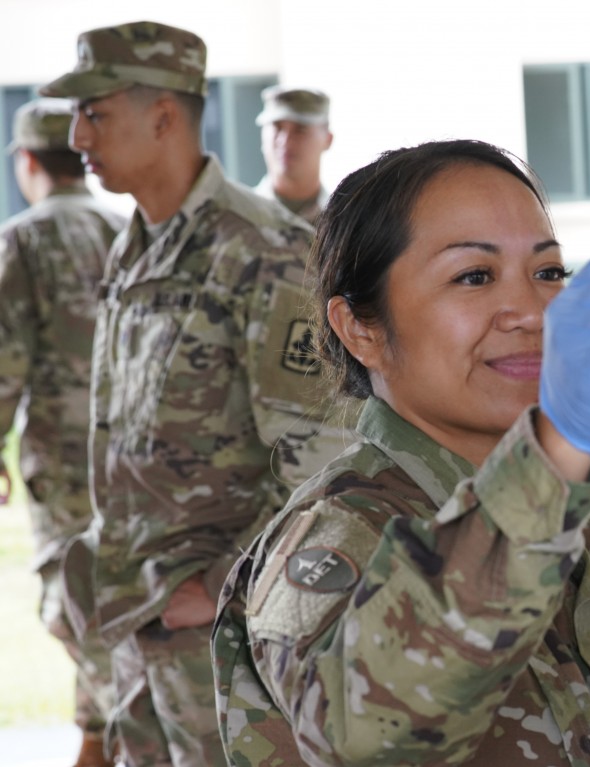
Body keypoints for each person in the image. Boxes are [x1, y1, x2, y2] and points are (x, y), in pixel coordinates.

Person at [212, 139, 590, 767]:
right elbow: (368, 739)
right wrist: (554, 456)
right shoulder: (337, 536)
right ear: (360, 328)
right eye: (474, 276)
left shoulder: (582, 537)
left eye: (549, 272)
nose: (530, 310)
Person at [41, 21, 345, 767]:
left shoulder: (259, 247)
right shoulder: (138, 241)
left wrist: (221, 584)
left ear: (165, 117)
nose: (75, 131)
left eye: (96, 111)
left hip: (216, 633)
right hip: (138, 616)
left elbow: (321, 452)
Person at [0, 97, 126, 767]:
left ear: (26, 162)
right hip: (133, 457)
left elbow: (5, 358)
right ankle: (98, 738)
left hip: (63, 458)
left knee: (70, 603)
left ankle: (124, 732)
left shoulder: (22, 238)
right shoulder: (125, 228)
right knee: (108, 594)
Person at [254, 85, 332, 226]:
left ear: (327, 139)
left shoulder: (341, 219)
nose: (285, 141)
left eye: (300, 129)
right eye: (277, 127)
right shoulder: (241, 215)